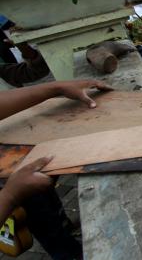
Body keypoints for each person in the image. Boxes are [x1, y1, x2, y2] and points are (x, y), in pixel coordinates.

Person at [0, 80, 112, 259]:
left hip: (14, 174)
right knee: (47, 230)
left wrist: (55, 88)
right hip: (10, 191)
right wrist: (9, 196)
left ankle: (64, 228)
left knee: (44, 205)